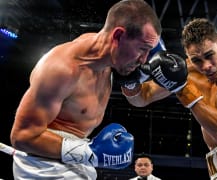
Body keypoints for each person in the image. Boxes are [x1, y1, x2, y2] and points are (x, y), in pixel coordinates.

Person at [9, 0, 162, 179]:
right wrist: (90, 152)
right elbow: (22, 136)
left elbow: (140, 100)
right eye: (142, 49)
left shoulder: (107, 58)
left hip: (74, 161)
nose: (144, 60)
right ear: (118, 36)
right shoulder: (61, 70)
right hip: (43, 168)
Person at [120, 18, 217, 179]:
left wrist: (183, 89)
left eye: (210, 55)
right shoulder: (187, 71)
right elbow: (141, 99)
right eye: (196, 60)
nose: (206, 66)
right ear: (188, 57)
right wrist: (131, 78)